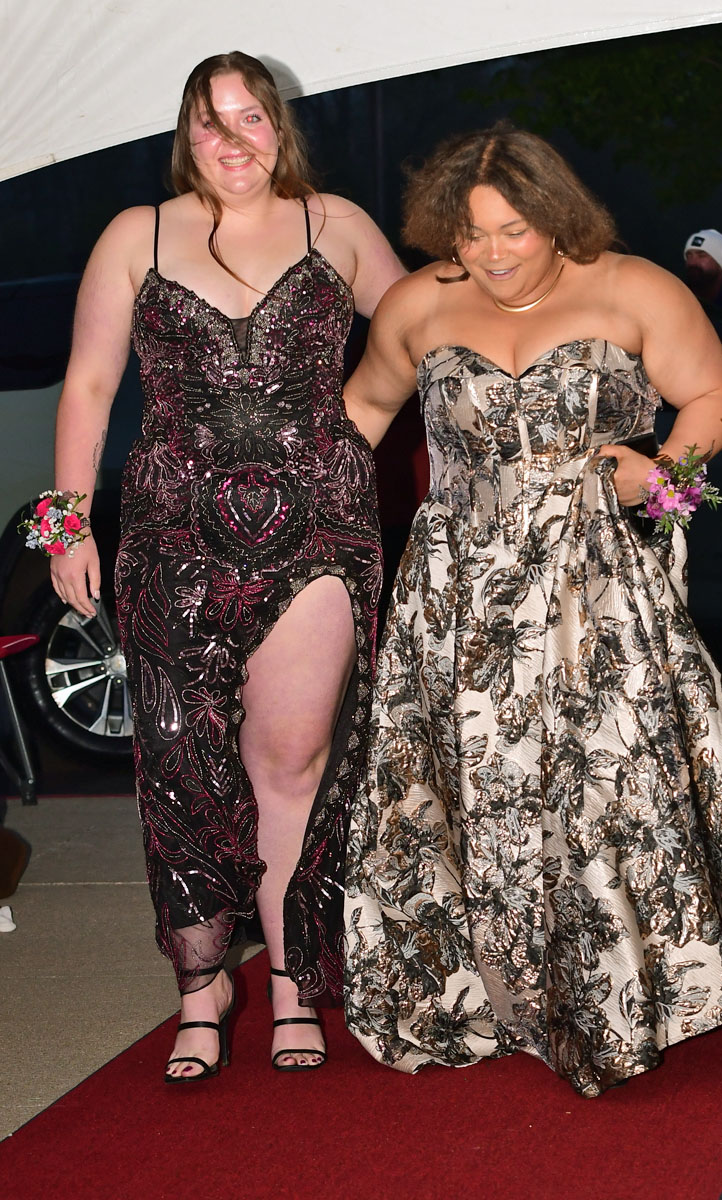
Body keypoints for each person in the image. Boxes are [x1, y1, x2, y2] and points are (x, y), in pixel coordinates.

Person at [342, 124, 722, 1097]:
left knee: (599, 783)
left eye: (513, 229)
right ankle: (493, 991)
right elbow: (363, 413)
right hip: (456, 587)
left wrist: (666, 474)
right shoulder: (417, 305)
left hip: (590, 578)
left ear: (555, 220)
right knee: (481, 788)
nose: (493, 252)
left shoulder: (634, 287)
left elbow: (710, 394)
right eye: (470, 235)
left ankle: (611, 991)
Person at [49, 50, 405, 1081]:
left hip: (318, 530)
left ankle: (294, 987)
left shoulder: (333, 223)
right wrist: (66, 525)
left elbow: (429, 333)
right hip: (169, 534)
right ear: (185, 133)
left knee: (289, 765)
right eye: (211, 122)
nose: (233, 139)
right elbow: (87, 384)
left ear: (278, 126)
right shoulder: (135, 234)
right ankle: (202, 993)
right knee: (181, 765)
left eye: (250, 117)